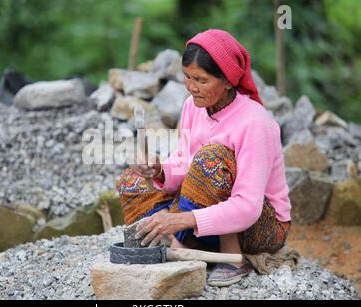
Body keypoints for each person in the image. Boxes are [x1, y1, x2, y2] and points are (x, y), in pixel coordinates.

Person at [116, 29, 291, 287]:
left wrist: (179, 220)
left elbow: (247, 206)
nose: (191, 87)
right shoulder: (192, 106)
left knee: (212, 159)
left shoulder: (255, 122)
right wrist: (159, 170)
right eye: (186, 77)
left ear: (229, 81)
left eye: (201, 80)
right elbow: (184, 164)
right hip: (206, 214)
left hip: (258, 227)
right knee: (132, 180)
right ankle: (178, 243)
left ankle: (231, 258)